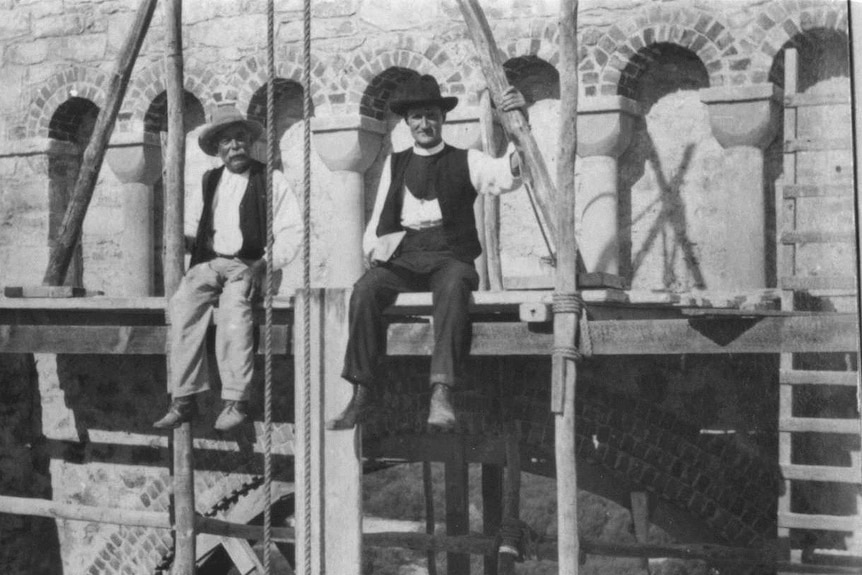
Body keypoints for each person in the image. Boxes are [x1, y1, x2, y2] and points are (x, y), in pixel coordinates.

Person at [327, 74, 527, 431]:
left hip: (450, 254)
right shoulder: (395, 163)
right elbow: (379, 218)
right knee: (364, 290)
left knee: (453, 289)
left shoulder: (467, 160)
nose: (424, 124)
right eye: (417, 117)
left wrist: (519, 126)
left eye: (431, 116)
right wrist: (373, 250)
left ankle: (441, 392)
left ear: (443, 119)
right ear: (407, 123)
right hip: (405, 254)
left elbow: (507, 175)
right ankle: (361, 393)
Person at [153, 105, 302, 432]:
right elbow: (192, 227)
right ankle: (184, 397)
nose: (234, 147)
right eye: (226, 142)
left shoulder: (271, 180)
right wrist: (182, 240)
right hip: (212, 264)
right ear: (218, 149)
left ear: (250, 142)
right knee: (182, 306)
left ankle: (236, 400)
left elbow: (291, 233)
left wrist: (264, 264)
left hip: (251, 265)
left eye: (240, 139)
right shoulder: (209, 182)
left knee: (235, 312)